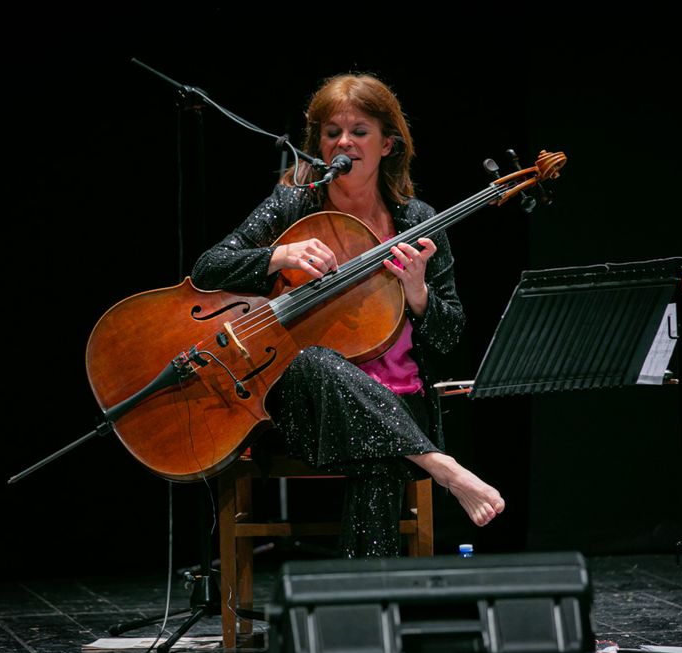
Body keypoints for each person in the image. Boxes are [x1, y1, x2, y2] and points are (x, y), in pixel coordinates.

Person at [191, 73, 504, 558]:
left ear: (387, 145)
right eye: (332, 132)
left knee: (376, 455)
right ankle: (441, 466)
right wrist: (277, 256)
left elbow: (450, 336)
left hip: (399, 402)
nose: (344, 142)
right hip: (305, 407)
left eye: (359, 131)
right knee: (312, 359)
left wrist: (418, 293)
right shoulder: (293, 206)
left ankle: (367, 601)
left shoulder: (417, 221)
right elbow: (208, 268)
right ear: (318, 145)